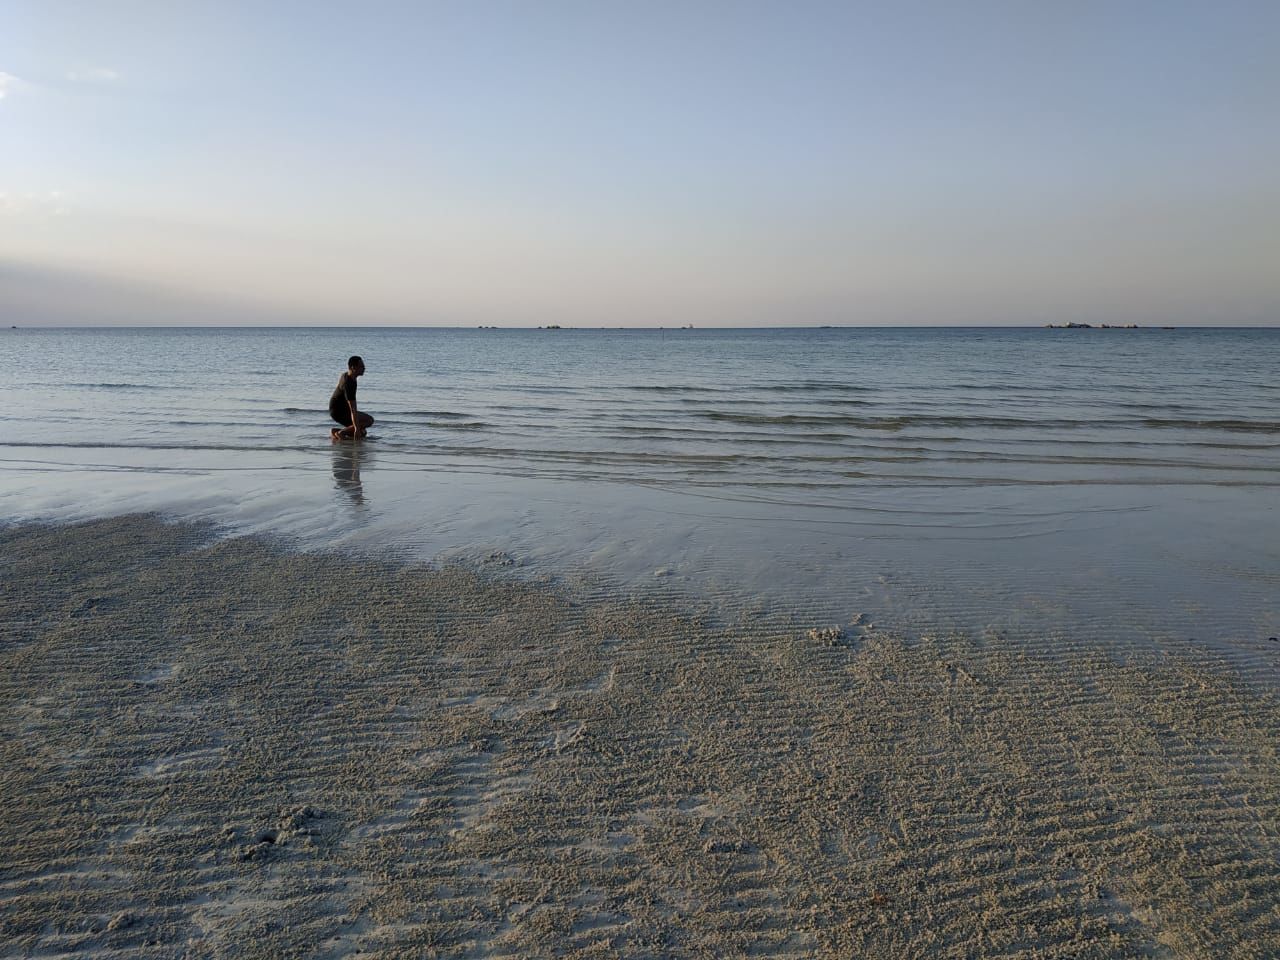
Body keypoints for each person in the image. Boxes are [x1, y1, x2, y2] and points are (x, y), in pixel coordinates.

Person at [330, 355, 374, 441]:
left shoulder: (348, 375)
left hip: (338, 409)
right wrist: (356, 429)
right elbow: (353, 409)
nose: (364, 368)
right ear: (353, 367)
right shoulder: (349, 384)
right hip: (339, 412)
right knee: (369, 420)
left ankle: (335, 432)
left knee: (363, 433)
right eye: (361, 366)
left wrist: (358, 429)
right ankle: (341, 433)